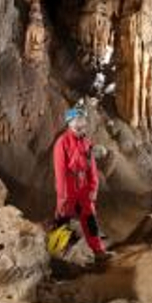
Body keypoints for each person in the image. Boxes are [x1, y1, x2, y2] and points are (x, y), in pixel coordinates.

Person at [52, 106, 108, 260]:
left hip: (83, 186)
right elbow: (60, 172)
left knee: (90, 219)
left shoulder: (86, 142)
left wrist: (93, 187)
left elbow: (92, 168)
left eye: (82, 121)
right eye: (77, 120)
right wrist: (63, 196)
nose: (80, 124)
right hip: (68, 185)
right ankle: (56, 254)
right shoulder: (62, 143)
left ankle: (99, 251)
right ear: (69, 123)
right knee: (64, 219)